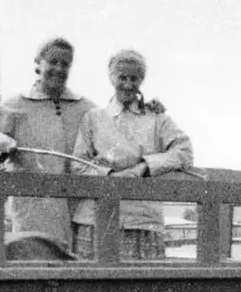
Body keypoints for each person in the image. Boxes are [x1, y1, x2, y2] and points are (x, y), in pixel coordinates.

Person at [0, 37, 95, 259]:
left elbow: (116, 126)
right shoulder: (17, 105)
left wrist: (150, 109)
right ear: (38, 63)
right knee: (35, 260)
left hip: (77, 210)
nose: (59, 69)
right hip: (32, 208)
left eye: (65, 64)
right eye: (52, 62)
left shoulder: (86, 108)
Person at [70, 49, 193, 260]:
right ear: (111, 78)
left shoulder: (156, 118)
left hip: (142, 220)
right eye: (122, 77)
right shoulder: (94, 118)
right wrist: (108, 175)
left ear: (142, 80)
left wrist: (144, 167)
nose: (128, 84)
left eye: (134, 78)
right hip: (96, 217)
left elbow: (184, 151)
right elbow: (77, 164)